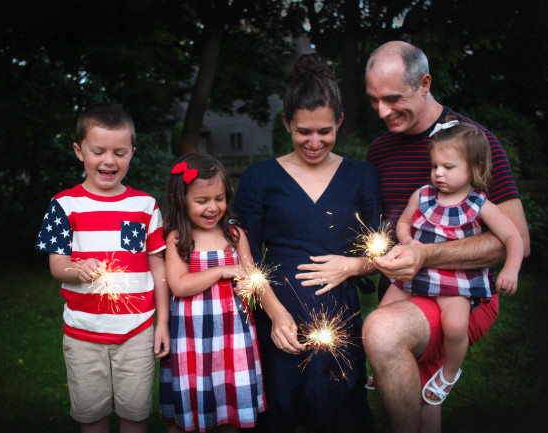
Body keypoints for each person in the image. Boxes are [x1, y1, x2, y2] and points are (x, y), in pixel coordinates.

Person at [360, 41, 531, 432]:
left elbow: (515, 238)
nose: (382, 112)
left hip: (463, 292)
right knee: (415, 387)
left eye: (392, 99)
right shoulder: (380, 151)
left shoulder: (474, 142)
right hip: (407, 284)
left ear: (424, 83)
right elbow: (388, 228)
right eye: (373, 100)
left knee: (383, 332)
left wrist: (426, 255)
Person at [234, 53, 380, 432]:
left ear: (340, 123)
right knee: (280, 411)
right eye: (303, 132)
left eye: (324, 131)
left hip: (339, 316)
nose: (314, 142)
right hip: (280, 317)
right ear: (286, 123)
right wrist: (274, 312)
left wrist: (353, 265)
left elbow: (382, 249)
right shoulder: (259, 178)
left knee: (339, 415)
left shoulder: (362, 176)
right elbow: (241, 253)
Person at [34, 102, 170, 433]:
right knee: (91, 416)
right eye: (98, 151)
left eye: (119, 152)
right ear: (79, 151)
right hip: (83, 332)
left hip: (137, 331)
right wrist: (75, 269)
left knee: (136, 414)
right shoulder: (63, 205)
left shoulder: (145, 206)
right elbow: (56, 265)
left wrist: (162, 322)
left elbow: (158, 266)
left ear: (132, 153)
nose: (109, 160)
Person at [378, 120, 524, 405]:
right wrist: (408, 242)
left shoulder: (479, 204)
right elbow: (403, 224)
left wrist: (511, 269)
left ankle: (449, 372)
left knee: (456, 326)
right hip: (417, 274)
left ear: (475, 168)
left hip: (456, 281)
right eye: (434, 166)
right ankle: (386, 369)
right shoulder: (423, 196)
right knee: (381, 316)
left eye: (448, 167)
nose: (438, 173)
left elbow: (513, 237)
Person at [159, 153, 266, 433]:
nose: (213, 208)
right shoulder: (178, 239)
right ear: (178, 199)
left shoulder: (235, 235)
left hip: (232, 336)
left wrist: (249, 287)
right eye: (202, 201)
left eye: (219, 198)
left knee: (229, 405)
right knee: (190, 404)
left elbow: (254, 278)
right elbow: (179, 285)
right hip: (192, 340)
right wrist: (220, 271)